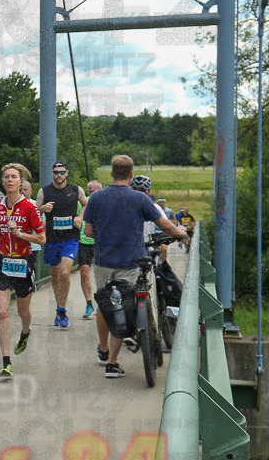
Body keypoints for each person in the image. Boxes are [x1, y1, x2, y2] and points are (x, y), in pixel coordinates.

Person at [83, 155, 187, 379]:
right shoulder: (140, 199)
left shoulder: (96, 197)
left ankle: (103, 350)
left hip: (103, 261)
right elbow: (164, 225)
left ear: (111, 173)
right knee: (123, 304)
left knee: (105, 305)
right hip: (131, 262)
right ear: (131, 175)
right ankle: (112, 363)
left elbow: (88, 232)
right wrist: (183, 233)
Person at [0, 163, 45, 379]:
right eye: (6, 177)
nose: (10, 180)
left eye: (14, 177)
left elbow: (42, 238)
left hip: (23, 261)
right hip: (2, 261)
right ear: (2, 182)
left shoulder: (30, 208)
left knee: (23, 312)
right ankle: (6, 362)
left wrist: (20, 234)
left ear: (21, 182)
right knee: (2, 312)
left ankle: (25, 331)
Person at [35, 161, 89, 329]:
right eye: (56, 172)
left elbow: (86, 203)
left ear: (67, 173)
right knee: (56, 275)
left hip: (70, 238)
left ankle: (63, 310)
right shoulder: (44, 191)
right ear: (52, 173)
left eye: (62, 172)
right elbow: (34, 212)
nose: (59, 175)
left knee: (65, 272)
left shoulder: (76, 189)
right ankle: (59, 308)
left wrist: (80, 217)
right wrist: (43, 208)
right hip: (52, 239)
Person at [77, 180, 103, 319]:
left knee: (101, 273)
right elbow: (77, 218)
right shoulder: (83, 203)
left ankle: (101, 304)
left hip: (102, 242)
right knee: (84, 272)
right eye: (90, 191)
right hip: (84, 242)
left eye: (95, 191)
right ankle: (89, 304)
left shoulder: (106, 202)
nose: (92, 194)